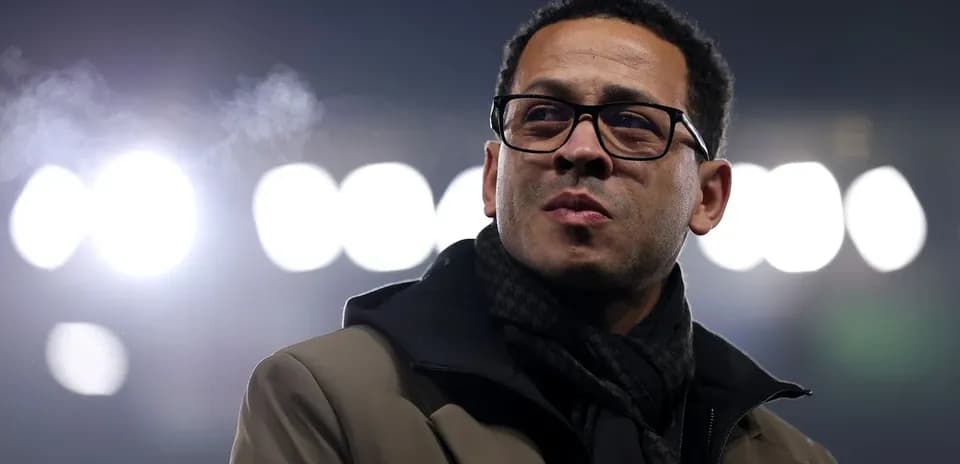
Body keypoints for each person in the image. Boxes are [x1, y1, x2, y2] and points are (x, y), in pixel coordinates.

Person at [230, 0, 836, 462]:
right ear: (493, 177)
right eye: (544, 116)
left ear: (708, 197)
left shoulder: (789, 458)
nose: (580, 149)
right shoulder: (324, 399)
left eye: (631, 123)